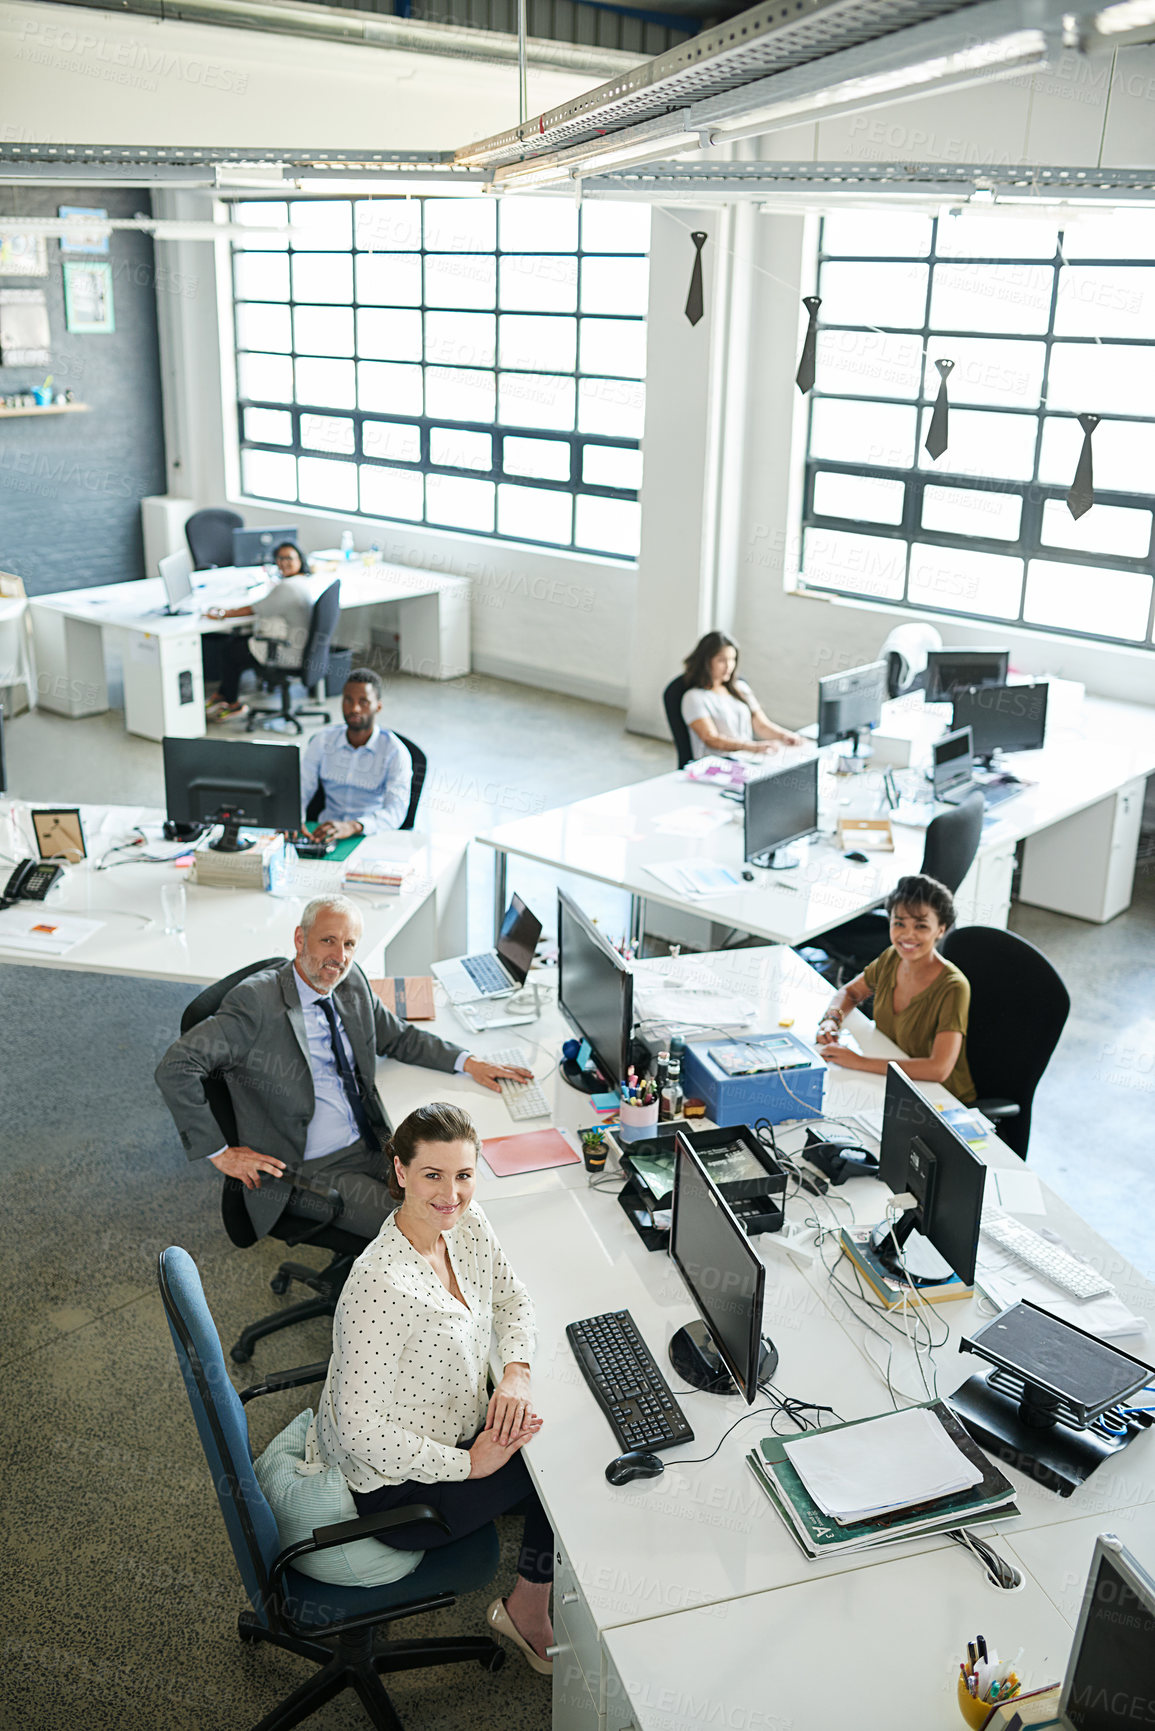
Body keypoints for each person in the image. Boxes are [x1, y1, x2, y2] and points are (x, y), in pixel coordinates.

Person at [317, 1102, 555, 1674]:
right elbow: (359, 1433)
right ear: (400, 1172)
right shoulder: (378, 1285)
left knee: (546, 1437)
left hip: (457, 1428)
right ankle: (528, 1609)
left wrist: (517, 1371)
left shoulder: (466, 1226)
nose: (451, 1193)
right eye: (433, 1175)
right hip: (400, 1489)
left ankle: (531, 1587)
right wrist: (468, 1466)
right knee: (561, 1473)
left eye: (464, 1175)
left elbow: (513, 1297)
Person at [154, 895, 533, 1241]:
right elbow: (176, 1066)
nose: (339, 956)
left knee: (460, 1198)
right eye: (328, 941)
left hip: (371, 1141)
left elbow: (396, 1037)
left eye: (349, 944)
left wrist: (468, 1061)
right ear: (300, 940)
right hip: (308, 1168)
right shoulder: (256, 1003)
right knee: (428, 1227)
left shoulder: (350, 982)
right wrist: (219, 1153)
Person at [815, 873, 976, 1103]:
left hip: (939, 1097)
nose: (907, 935)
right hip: (890, 1077)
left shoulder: (954, 987)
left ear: (941, 929)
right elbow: (850, 993)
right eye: (899, 923)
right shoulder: (893, 958)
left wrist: (859, 1061)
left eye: (921, 926)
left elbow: (939, 1069)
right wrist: (831, 1019)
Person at [205, 541, 324, 721]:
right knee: (239, 643)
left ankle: (232, 703)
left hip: (285, 652)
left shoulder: (287, 587)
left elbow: (255, 609)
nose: (284, 562)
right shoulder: (303, 582)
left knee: (230, 651)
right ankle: (224, 694)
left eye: (289, 558)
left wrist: (222, 613)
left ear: (300, 560)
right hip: (304, 648)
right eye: (280, 558)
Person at [300, 668, 412, 840]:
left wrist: (353, 826)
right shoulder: (322, 741)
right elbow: (301, 789)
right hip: (323, 833)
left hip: (370, 834)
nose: (354, 708)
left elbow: (395, 811)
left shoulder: (395, 752)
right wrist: (294, 819)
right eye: (348, 700)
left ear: (378, 706)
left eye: (364, 702)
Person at [680, 631, 804, 759]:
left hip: (746, 758)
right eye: (721, 660)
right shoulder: (694, 698)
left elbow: (761, 725)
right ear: (705, 662)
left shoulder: (741, 688)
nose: (729, 666)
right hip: (718, 764)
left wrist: (784, 735)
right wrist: (752, 747)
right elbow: (711, 738)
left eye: (732, 659)